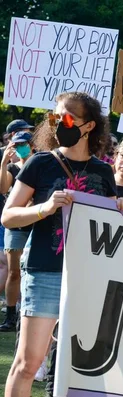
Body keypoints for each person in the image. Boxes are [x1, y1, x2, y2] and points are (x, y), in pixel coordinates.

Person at [1, 92, 123, 397]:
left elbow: (112, 225)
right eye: (55, 117)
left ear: (89, 126)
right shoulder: (40, 162)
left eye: (68, 117)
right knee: (28, 364)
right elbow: (8, 216)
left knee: (78, 366)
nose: (59, 122)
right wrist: (44, 208)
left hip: (88, 277)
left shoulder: (103, 171)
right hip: (46, 271)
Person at [0, 131, 34, 332]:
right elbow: (3, 188)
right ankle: (11, 315)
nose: (21, 147)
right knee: (14, 273)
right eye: (17, 144)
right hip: (15, 226)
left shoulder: (39, 164)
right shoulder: (13, 167)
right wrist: (4, 162)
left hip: (37, 224)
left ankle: (27, 311)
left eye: (24, 144)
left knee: (31, 271)